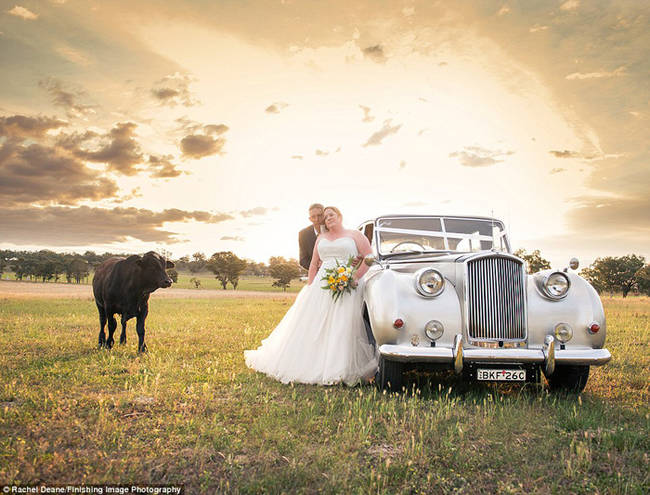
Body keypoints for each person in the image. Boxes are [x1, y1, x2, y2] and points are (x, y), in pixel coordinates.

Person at [245, 206, 378, 385]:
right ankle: (309, 362)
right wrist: (310, 287)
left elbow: (369, 256)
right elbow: (314, 264)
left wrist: (355, 276)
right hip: (321, 285)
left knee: (342, 324)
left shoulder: (355, 235)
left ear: (339, 216)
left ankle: (338, 368)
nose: (328, 218)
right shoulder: (321, 238)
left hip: (348, 284)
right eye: (325, 216)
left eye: (331, 214)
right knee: (314, 324)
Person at [298, 203, 324, 271]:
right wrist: (318, 267)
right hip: (315, 274)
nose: (317, 219)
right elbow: (303, 260)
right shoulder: (303, 234)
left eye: (320, 215)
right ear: (310, 219)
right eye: (313, 217)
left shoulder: (333, 230)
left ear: (324, 215)